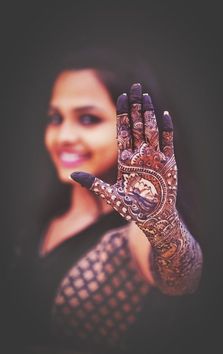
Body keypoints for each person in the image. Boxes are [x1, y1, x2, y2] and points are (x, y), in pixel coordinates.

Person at [8, 46, 203, 354]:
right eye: (55, 118)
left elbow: (184, 277)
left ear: (133, 126)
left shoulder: (136, 231)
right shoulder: (42, 220)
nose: (63, 136)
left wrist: (164, 230)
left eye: (87, 119)